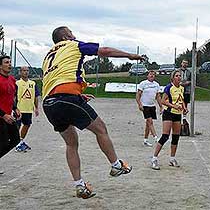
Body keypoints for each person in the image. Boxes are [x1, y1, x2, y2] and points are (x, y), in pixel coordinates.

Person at [41, 26, 143, 199]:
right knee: (100, 129)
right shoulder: (73, 45)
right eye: (71, 32)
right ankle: (116, 165)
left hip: (49, 103)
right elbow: (104, 51)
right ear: (66, 36)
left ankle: (80, 185)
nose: (74, 34)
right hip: (67, 98)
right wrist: (129, 55)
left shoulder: (49, 55)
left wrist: (78, 93)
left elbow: (58, 78)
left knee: (71, 143)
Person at [151, 69, 187, 170]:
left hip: (177, 114)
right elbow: (163, 101)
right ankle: (154, 158)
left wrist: (184, 108)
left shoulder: (181, 88)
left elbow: (181, 99)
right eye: (176, 76)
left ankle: (172, 158)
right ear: (172, 78)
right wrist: (174, 106)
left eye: (180, 76)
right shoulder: (169, 87)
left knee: (176, 137)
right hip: (168, 113)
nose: (179, 77)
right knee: (165, 136)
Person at [0, 55, 21, 174]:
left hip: (8, 116)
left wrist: (15, 107)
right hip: (2, 116)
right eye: (6, 62)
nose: (9, 64)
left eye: (10, 62)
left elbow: (11, 96)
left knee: (15, 140)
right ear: (0, 66)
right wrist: (3, 115)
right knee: (2, 143)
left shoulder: (12, 79)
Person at [15, 66, 40, 152]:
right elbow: (13, 96)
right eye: (24, 71)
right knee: (16, 126)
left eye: (27, 70)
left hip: (28, 109)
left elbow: (36, 96)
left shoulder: (33, 83)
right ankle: (16, 144)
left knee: (27, 125)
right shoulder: (17, 83)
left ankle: (20, 141)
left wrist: (36, 108)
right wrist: (14, 107)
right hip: (19, 109)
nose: (26, 72)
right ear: (20, 72)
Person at [136, 70, 162, 146]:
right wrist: (139, 104)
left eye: (153, 75)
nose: (152, 75)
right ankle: (156, 137)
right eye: (150, 74)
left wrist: (161, 106)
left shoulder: (156, 85)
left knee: (148, 124)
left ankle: (145, 140)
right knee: (150, 121)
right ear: (147, 75)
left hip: (152, 106)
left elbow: (158, 96)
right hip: (145, 105)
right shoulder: (143, 84)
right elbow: (138, 95)